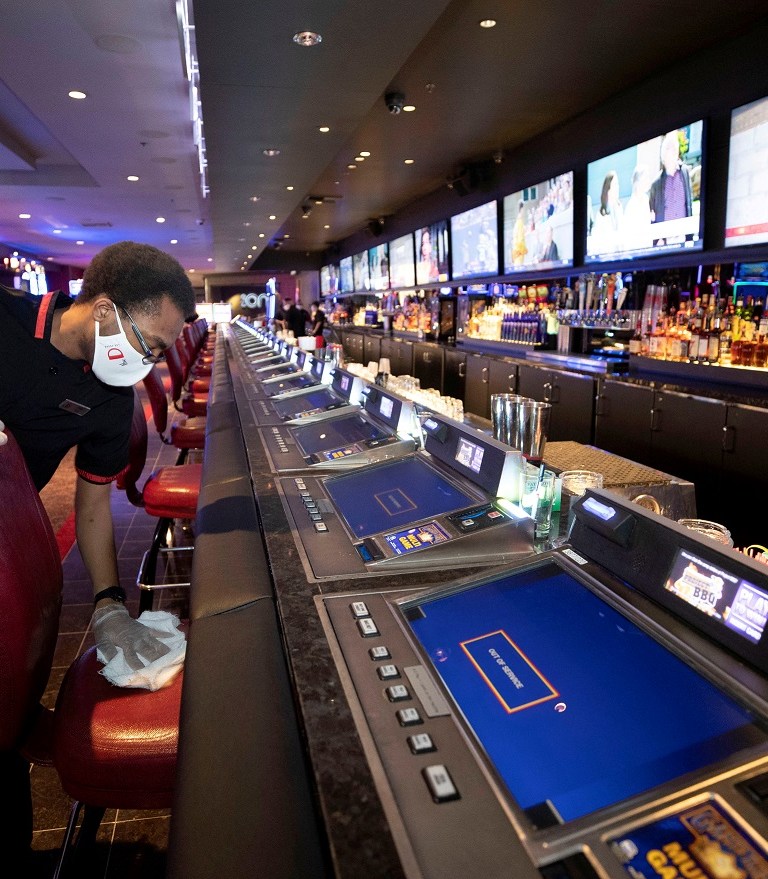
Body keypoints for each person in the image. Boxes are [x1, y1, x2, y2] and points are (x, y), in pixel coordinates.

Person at [0, 240, 196, 865]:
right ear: (105, 309)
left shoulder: (112, 397)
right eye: (152, 345)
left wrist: (110, 604)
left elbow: (91, 506)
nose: (150, 363)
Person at [649, 130, 693, 223]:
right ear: (663, 157)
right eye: (668, 150)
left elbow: (689, 202)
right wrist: (658, 237)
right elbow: (652, 212)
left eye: (674, 150)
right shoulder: (656, 183)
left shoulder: (684, 172)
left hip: (683, 232)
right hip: (666, 234)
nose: (671, 154)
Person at [589, 170, 624, 255]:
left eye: (618, 184)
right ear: (608, 189)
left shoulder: (619, 208)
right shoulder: (601, 214)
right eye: (615, 184)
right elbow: (598, 243)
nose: (618, 187)